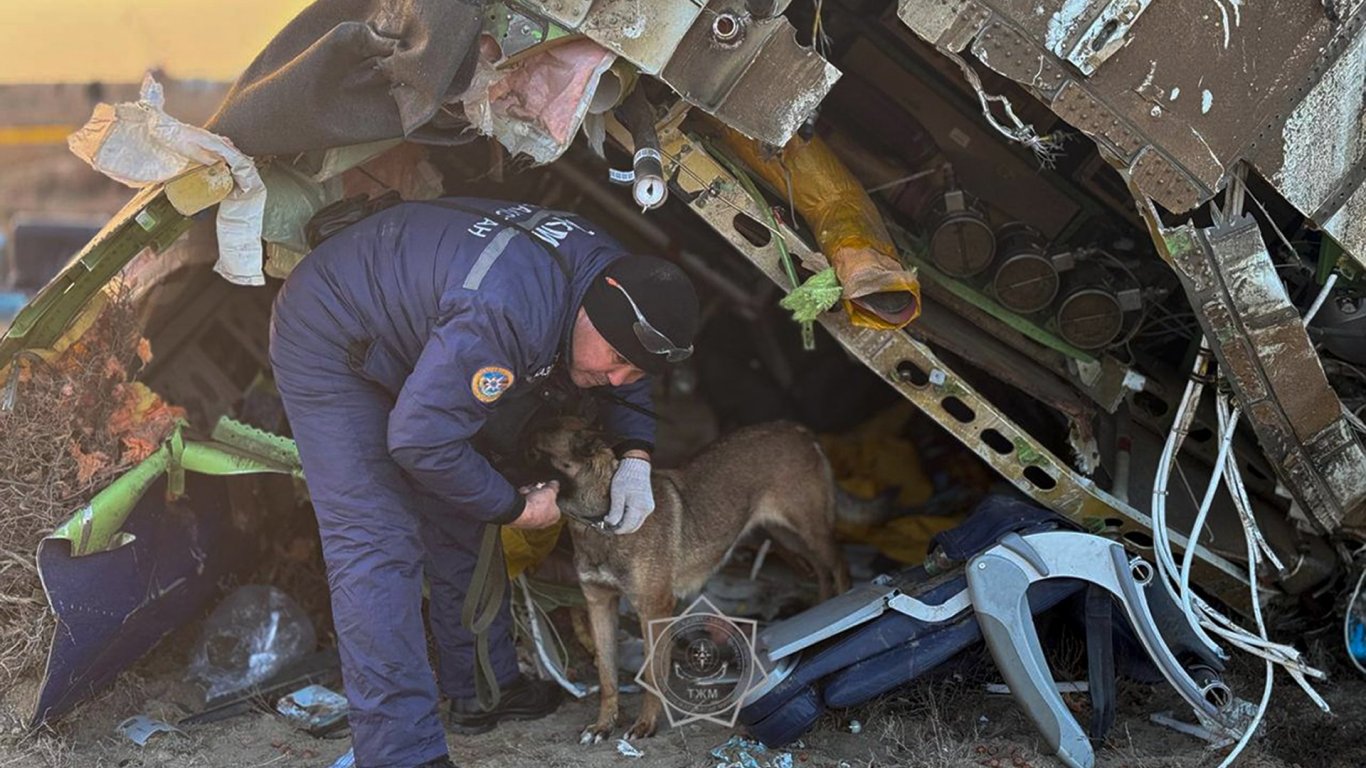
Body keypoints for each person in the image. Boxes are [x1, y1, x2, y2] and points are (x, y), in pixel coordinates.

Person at [268, 197, 700, 768]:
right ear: (590, 315)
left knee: (460, 504)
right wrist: (515, 509)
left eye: (635, 370)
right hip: (334, 333)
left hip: (421, 326)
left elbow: (626, 372)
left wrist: (637, 454)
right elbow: (420, 440)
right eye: (615, 358)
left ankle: (483, 690)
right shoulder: (508, 314)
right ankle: (402, 753)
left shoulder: (616, 280)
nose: (616, 379)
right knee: (376, 541)